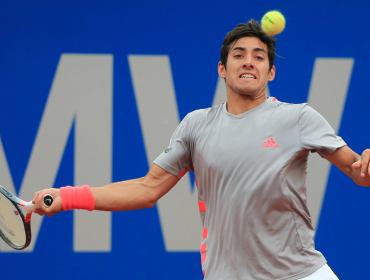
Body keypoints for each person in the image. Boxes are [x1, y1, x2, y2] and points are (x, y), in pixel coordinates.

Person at [33, 20, 370, 280]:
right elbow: (147, 189)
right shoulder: (196, 126)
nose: (249, 62)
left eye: (259, 57)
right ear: (222, 69)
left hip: (300, 274)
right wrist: (68, 197)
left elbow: (357, 170)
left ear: (271, 72)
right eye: (238, 55)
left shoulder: (298, 118)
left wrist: (366, 168)